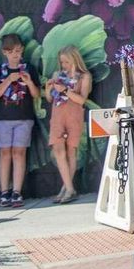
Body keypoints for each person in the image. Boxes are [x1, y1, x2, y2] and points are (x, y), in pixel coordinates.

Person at [0, 34, 40, 208]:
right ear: (4, 52)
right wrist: (8, 80)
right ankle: (4, 192)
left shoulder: (29, 69)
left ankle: (17, 191)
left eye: (18, 51)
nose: (15, 55)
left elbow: (36, 94)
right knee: (5, 153)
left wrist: (29, 82)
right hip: (3, 119)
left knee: (19, 153)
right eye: (11, 52)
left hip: (24, 118)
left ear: (22, 50)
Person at [44, 46, 92, 204]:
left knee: (71, 151)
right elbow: (50, 99)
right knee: (58, 149)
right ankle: (70, 189)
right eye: (62, 62)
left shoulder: (84, 76)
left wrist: (65, 90)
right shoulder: (57, 75)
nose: (64, 65)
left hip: (74, 116)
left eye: (66, 61)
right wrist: (48, 89)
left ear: (75, 60)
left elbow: (82, 100)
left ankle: (66, 189)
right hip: (57, 115)